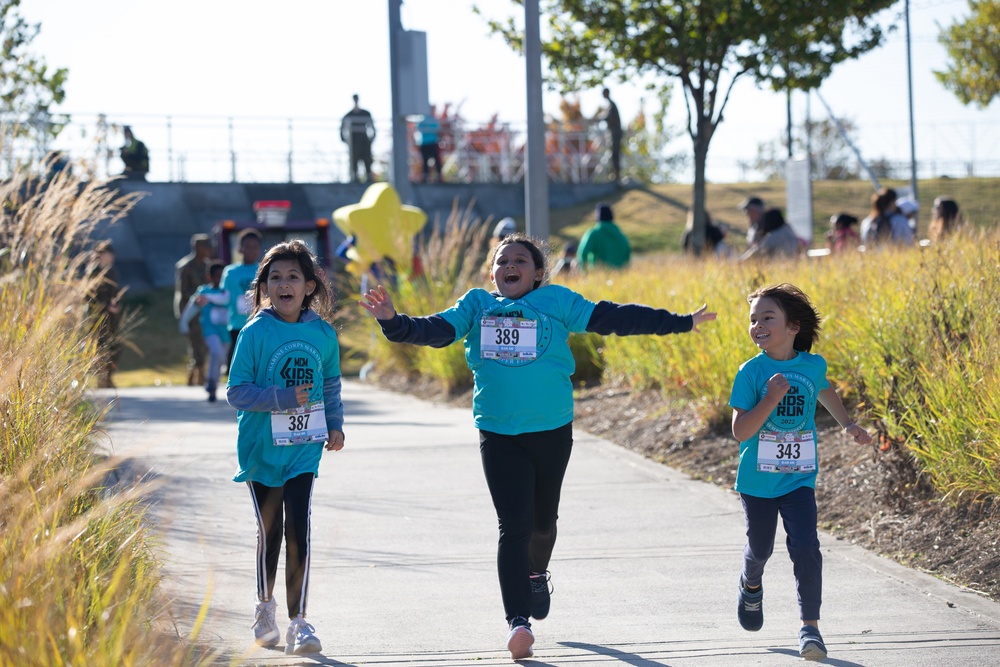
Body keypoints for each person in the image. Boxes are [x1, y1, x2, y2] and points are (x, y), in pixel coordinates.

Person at [360, 232, 716, 660]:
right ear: (492, 272)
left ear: (537, 272)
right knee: (515, 525)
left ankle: (536, 573)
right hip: (498, 432)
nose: (509, 266)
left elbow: (615, 317)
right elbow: (434, 330)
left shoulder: (557, 302)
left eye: (520, 261)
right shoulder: (477, 305)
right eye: (501, 261)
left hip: (551, 430)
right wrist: (393, 321)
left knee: (543, 523)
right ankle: (518, 622)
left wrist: (680, 321)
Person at [730, 283, 871, 662]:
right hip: (758, 482)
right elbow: (741, 431)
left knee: (806, 547)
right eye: (753, 319)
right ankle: (751, 582)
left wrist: (847, 425)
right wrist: (771, 398)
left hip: (798, 478)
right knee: (760, 548)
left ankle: (811, 629)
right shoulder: (751, 372)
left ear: (793, 326)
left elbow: (824, 390)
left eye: (767, 317)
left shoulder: (812, 365)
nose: (757, 324)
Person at [227, 240, 345, 656]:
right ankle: (264, 608)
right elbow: (236, 392)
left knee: (299, 529)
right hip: (261, 449)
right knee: (270, 532)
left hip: (303, 447)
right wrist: (278, 397)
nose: (283, 283)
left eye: (293, 276)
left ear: (310, 285)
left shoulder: (323, 334)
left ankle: (299, 621)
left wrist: (335, 424)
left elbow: (330, 384)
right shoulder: (255, 332)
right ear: (263, 287)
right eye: (274, 277)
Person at [179, 260, 230, 402]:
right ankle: (212, 382)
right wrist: (184, 322)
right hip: (210, 329)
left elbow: (225, 300)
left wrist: (208, 298)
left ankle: (212, 381)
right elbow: (192, 307)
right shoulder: (203, 292)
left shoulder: (226, 291)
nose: (219, 279)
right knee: (216, 352)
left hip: (225, 331)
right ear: (210, 277)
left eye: (222, 276)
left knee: (221, 359)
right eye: (217, 276)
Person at [221, 229, 263, 372]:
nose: (251, 250)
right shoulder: (230, 272)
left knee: (257, 362)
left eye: (255, 247)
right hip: (236, 324)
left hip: (259, 323)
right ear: (240, 248)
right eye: (247, 246)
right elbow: (223, 297)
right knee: (237, 364)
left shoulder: (263, 270)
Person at [174, 233, 212, 386]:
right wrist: (198, 297)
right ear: (197, 248)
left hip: (205, 310)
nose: (210, 250)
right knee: (195, 342)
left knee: (206, 341)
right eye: (206, 247)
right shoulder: (185, 266)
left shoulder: (207, 265)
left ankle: (193, 372)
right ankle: (199, 375)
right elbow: (182, 291)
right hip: (190, 311)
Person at [86, 240, 124, 389]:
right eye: (108, 254)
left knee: (115, 346)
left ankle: (109, 376)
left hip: (112, 316)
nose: (111, 257)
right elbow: (87, 296)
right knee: (99, 346)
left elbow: (117, 293)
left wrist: (116, 305)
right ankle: (101, 378)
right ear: (100, 255)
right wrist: (101, 306)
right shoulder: (93, 272)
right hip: (97, 316)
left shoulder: (113, 272)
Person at [576, 203, 631, 269]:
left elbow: (582, 254)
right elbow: (627, 261)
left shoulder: (593, 234)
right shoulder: (622, 237)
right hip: (620, 277)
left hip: (598, 276)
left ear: (597, 217)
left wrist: (584, 274)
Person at [341, 94, 376, 183]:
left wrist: (371, 139)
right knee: (354, 160)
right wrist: (345, 140)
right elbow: (342, 129)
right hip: (354, 141)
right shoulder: (348, 115)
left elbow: (372, 127)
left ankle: (368, 177)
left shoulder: (365, 113)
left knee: (367, 159)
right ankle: (354, 177)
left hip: (364, 141)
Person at [601, 87, 623, 185]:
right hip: (614, 133)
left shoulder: (611, 106)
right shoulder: (610, 106)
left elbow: (610, 118)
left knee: (615, 154)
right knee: (613, 154)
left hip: (615, 134)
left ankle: (617, 176)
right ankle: (615, 174)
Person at [415, 107, 443, 183]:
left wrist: (427, 129)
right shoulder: (421, 119)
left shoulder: (433, 119)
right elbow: (419, 128)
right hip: (424, 143)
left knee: (437, 161)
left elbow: (437, 128)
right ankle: (425, 178)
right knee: (425, 162)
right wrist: (430, 129)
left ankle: (439, 178)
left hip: (433, 143)